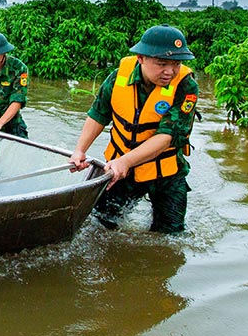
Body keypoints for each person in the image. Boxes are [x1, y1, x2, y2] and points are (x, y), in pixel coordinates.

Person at [68, 24, 199, 234]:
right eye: (162, 63)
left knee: (170, 238)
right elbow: (98, 114)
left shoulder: (185, 86)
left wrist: (125, 161)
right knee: (100, 226)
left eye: (176, 64)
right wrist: (79, 150)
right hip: (121, 170)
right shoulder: (118, 78)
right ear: (141, 58)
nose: (170, 71)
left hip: (165, 173)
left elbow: (167, 136)